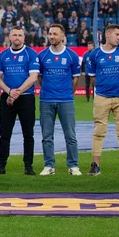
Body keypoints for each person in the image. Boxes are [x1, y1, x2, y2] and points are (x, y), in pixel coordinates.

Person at [86, 24, 119, 176]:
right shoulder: (94, 54)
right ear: (107, 35)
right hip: (101, 97)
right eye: (117, 35)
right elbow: (93, 78)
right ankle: (95, 164)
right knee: (99, 131)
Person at [0, 26, 39, 176]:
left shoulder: (31, 54)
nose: (17, 37)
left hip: (26, 98)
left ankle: (28, 166)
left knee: (28, 134)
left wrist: (17, 92)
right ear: (9, 37)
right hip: (7, 97)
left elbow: (33, 77)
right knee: (4, 133)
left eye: (20, 35)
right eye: (14, 35)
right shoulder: (3, 55)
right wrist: (10, 91)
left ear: (24, 38)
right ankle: (1, 165)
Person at [36, 23, 82, 176]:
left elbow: (76, 79)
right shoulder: (42, 55)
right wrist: (48, 90)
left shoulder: (71, 56)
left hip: (66, 100)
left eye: (55, 34)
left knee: (70, 135)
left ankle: (73, 165)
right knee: (47, 136)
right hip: (46, 100)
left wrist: (68, 93)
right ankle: (49, 165)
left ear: (63, 37)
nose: (52, 37)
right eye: (50, 34)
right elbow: (40, 78)